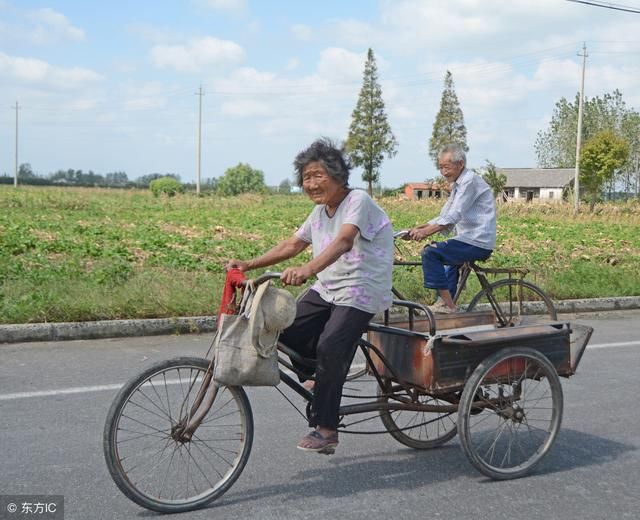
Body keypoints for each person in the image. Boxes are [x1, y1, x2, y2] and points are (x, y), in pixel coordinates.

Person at [226, 138, 394, 454]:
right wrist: (249, 264)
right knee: (282, 328)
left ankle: (327, 428)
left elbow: (345, 241)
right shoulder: (319, 213)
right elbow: (292, 245)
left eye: (318, 175)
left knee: (331, 345)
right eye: (306, 177)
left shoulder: (358, 200)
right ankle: (319, 375)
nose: (311, 183)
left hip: (361, 289)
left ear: (338, 176)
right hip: (329, 287)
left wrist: (308, 268)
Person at [406, 143, 496, 313]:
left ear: (460, 164)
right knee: (446, 259)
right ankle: (445, 303)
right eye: (440, 168)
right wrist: (416, 229)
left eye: (446, 167)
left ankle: (448, 305)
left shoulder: (469, 182)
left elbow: (454, 216)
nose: (443, 172)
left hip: (477, 240)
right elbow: (444, 215)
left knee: (431, 252)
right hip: (466, 238)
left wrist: (425, 233)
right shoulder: (458, 185)